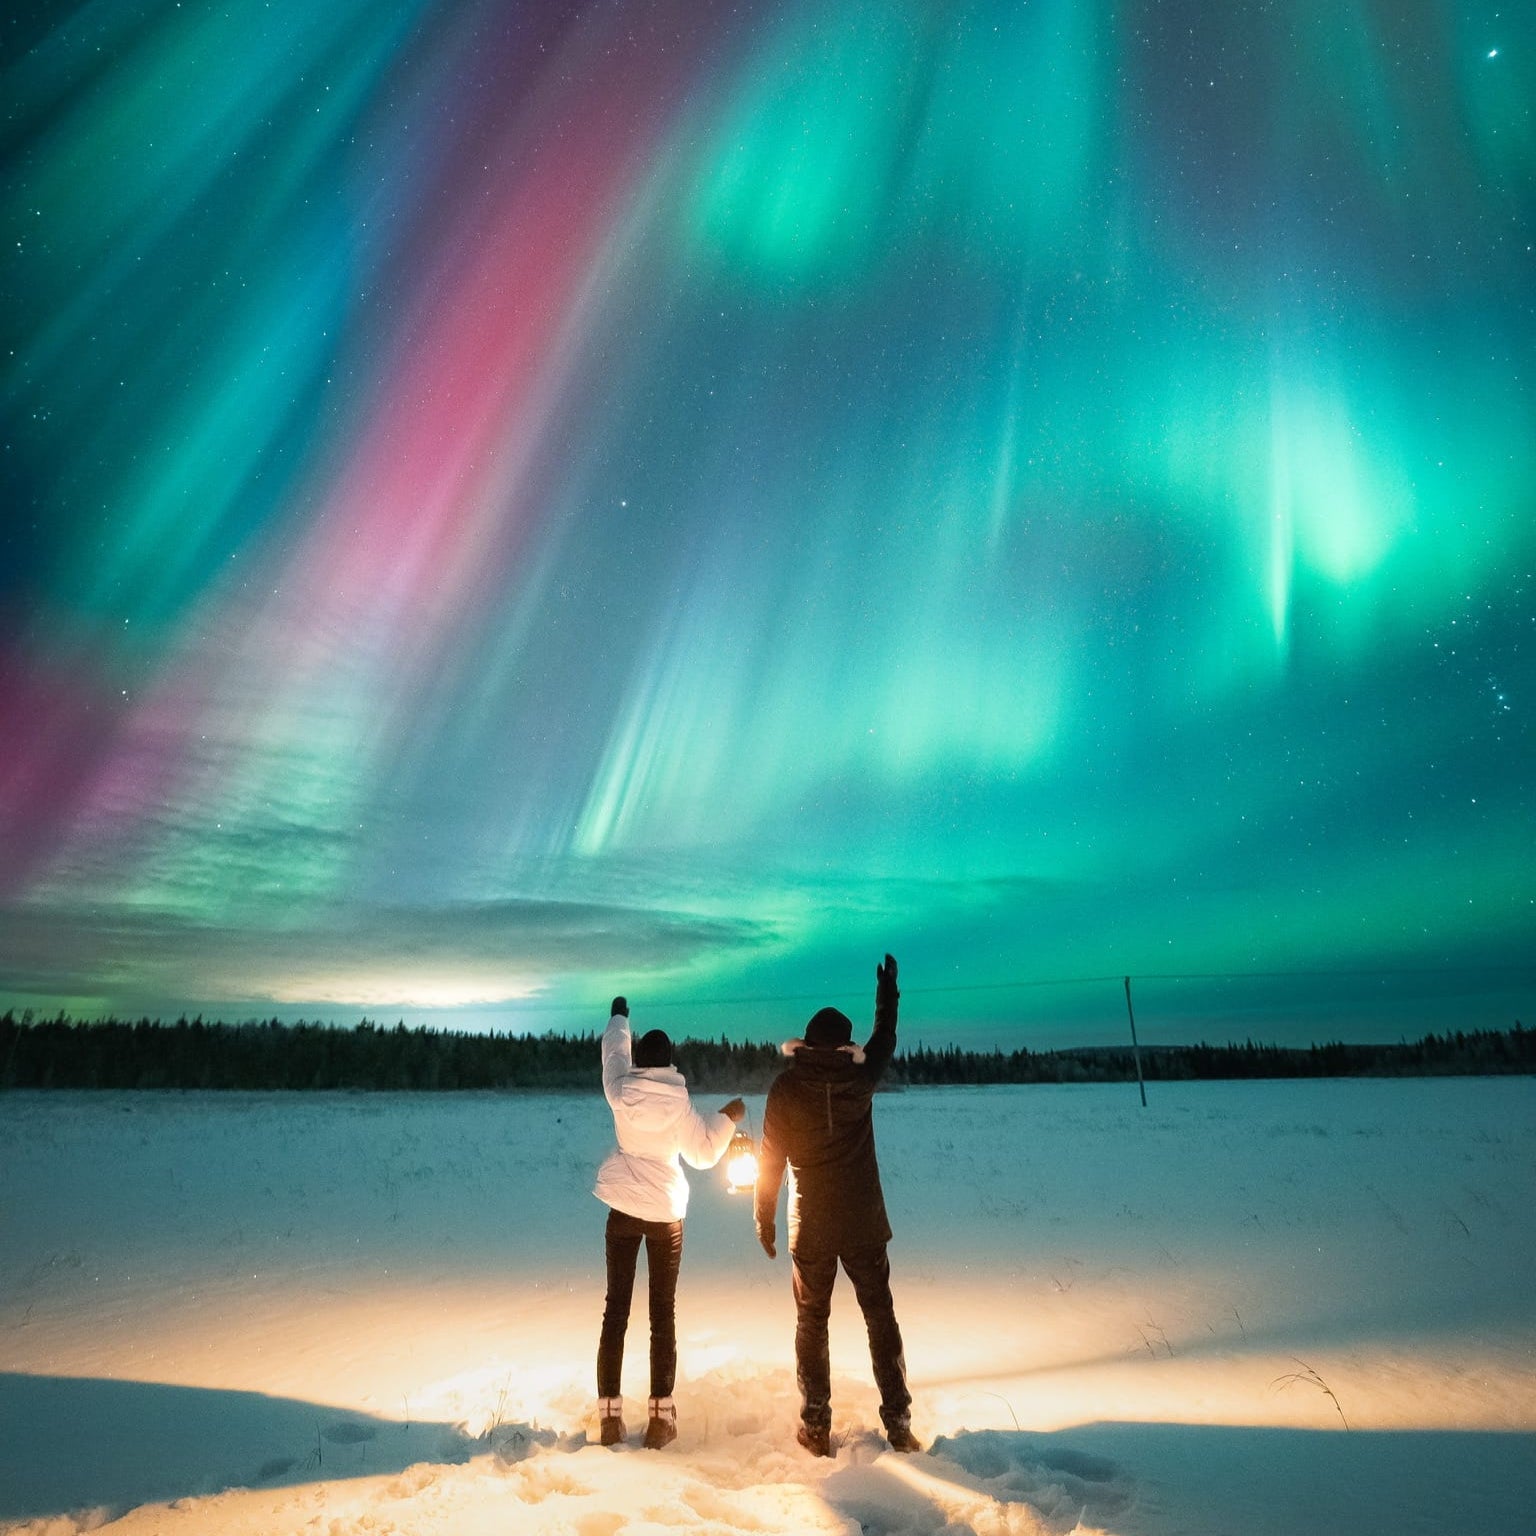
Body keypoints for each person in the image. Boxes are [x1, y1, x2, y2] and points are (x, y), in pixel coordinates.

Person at [754, 953, 917, 1457]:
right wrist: (887, 993)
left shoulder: (786, 1087)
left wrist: (764, 1217)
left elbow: (769, 1159)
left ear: (805, 1045)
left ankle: (816, 1426)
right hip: (864, 1221)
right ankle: (898, 1423)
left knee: (811, 1322)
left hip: (812, 1226)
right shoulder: (860, 1079)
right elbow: (885, 1038)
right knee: (880, 1318)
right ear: (847, 1046)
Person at [593, 995, 744, 1450]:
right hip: (664, 1215)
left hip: (622, 1208)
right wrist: (729, 1118)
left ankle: (609, 1417)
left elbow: (613, 1053)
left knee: (615, 1311)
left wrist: (619, 1016)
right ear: (671, 1061)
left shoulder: (620, 1089)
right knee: (662, 1312)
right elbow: (702, 1152)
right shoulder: (679, 1103)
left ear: (640, 1061)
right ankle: (660, 1418)